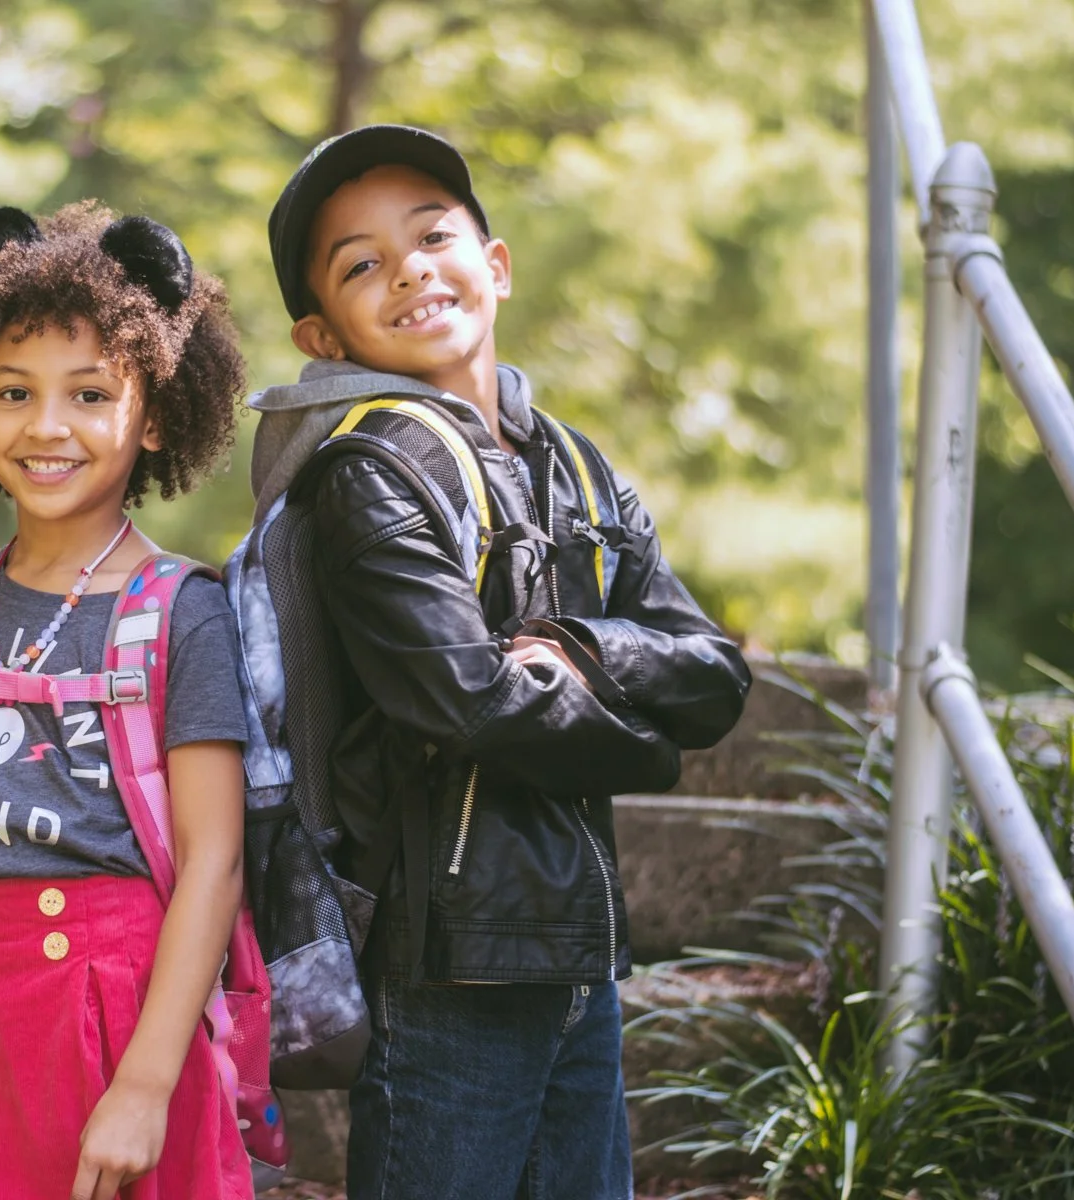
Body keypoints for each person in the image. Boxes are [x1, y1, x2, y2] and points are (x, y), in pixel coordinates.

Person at [251, 125, 754, 1199]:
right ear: (322, 332)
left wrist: (574, 648)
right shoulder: (367, 476)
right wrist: (653, 756)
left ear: (498, 264)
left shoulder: (577, 465)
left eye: (433, 236)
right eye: (361, 265)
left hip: (579, 952)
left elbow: (715, 670)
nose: (410, 271)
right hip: (446, 966)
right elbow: (472, 701)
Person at [0, 201, 257, 1200]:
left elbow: (215, 860)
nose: (47, 426)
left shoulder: (181, 613)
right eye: (14, 393)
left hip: (112, 1015)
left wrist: (148, 1085)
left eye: (88, 395)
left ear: (152, 414)